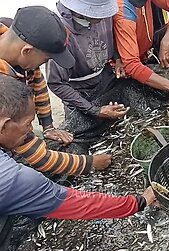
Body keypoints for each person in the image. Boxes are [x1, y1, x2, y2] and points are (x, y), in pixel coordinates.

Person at [0, 73, 157, 251]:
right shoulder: (11, 179)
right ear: (5, 125)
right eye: (27, 124)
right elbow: (81, 204)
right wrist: (139, 202)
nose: (31, 130)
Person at [0, 6, 111, 175]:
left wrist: (48, 126)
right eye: (46, 59)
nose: (45, 64)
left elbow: (37, 82)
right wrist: (89, 163)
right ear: (27, 51)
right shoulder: (3, 90)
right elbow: (32, 151)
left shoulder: (16, 46)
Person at [46, 0, 130, 148]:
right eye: (97, 12)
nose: (101, 17)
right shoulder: (59, 32)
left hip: (105, 76)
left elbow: (114, 34)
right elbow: (56, 83)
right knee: (81, 135)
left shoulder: (105, 16)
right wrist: (95, 110)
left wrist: (118, 59)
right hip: (79, 91)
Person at [113, 0, 169, 109]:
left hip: (146, 50)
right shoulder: (123, 12)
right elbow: (131, 64)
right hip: (126, 60)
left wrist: (166, 42)